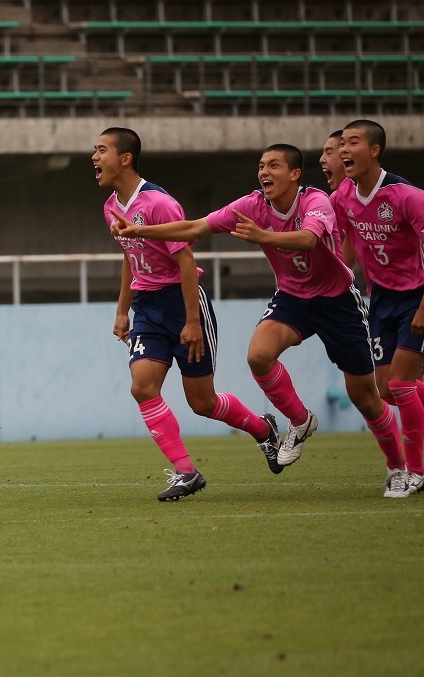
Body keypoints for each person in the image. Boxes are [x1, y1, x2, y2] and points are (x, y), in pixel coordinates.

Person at [113, 143, 408, 498]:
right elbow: (193, 228)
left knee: (365, 395)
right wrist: (140, 233)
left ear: (295, 175)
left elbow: (309, 240)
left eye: (273, 166)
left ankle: (397, 466)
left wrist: (262, 236)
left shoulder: (315, 201)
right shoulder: (251, 205)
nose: (264, 172)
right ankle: (299, 421)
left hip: (337, 302)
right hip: (292, 299)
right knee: (258, 355)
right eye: (261, 165)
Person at [93, 127, 280, 502]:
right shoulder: (111, 206)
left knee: (202, 403)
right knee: (142, 387)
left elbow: (185, 260)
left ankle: (263, 430)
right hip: (147, 307)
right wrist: (122, 310)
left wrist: (193, 321)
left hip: (182, 304)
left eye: (101, 150)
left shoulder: (159, 204)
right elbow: (132, 256)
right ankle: (186, 472)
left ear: (125, 158)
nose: (94, 158)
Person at [332, 119, 424, 496]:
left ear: (374, 151)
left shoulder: (407, 196)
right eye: (342, 144)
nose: (343, 151)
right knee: (386, 390)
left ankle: (415, 472)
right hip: (380, 298)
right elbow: (348, 246)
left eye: (353, 143)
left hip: (417, 296)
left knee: (400, 385)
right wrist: (339, 284)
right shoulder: (342, 197)